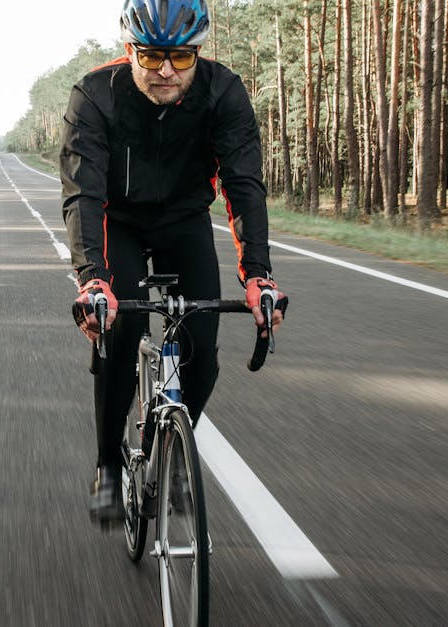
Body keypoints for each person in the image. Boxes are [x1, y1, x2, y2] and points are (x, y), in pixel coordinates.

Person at [61, 0, 286, 523]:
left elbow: (243, 187)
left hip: (184, 221)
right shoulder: (94, 96)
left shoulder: (224, 92)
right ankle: (107, 468)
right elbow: (83, 195)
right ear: (129, 49)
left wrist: (257, 276)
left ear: (198, 53)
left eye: (182, 58)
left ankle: (174, 452)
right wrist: (94, 280)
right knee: (124, 324)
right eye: (153, 55)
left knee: (202, 348)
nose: (166, 70)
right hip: (119, 220)